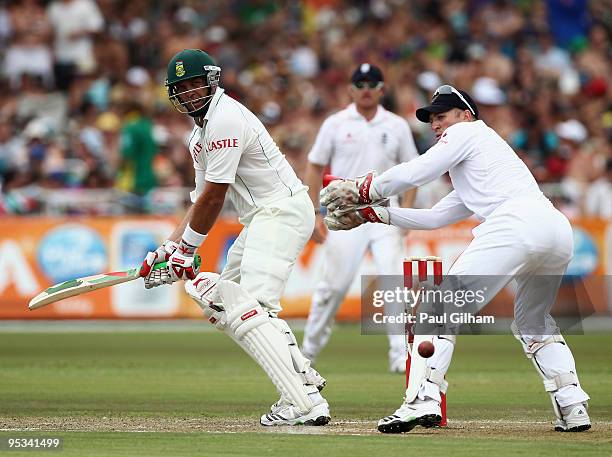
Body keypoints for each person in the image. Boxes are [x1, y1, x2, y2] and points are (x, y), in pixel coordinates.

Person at [320, 85, 591, 433]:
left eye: (442, 116)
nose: (435, 124)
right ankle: (573, 406)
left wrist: (364, 189)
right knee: (533, 324)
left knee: (437, 307)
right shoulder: (482, 160)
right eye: (431, 118)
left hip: (516, 225)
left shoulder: (467, 131)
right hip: (555, 230)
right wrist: (377, 215)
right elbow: (433, 217)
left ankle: (421, 401)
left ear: (466, 115)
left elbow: (419, 171)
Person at [139, 49, 330, 427]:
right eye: (182, 88)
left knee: (252, 305)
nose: (191, 93)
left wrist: (187, 250)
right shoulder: (200, 134)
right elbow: (198, 201)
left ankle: (303, 404)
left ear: (212, 79)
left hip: (280, 210)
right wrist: (168, 248)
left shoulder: (225, 118)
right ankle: (303, 380)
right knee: (218, 299)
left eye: (196, 83)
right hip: (263, 217)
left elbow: (215, 195)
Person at [302, 63, 418, 372]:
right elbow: (315, 166)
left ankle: (400, 356)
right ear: (351, 90)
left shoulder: (396, 125)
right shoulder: (336, 124)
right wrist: (315, 211)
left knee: (394, 282)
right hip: (344, 215)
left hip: (384, 213)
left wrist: (405, 214)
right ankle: (307, 354)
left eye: (372, 84)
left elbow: (413, 172)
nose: (366, 90)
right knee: (333, 287)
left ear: (381, 90)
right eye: (360, 84)